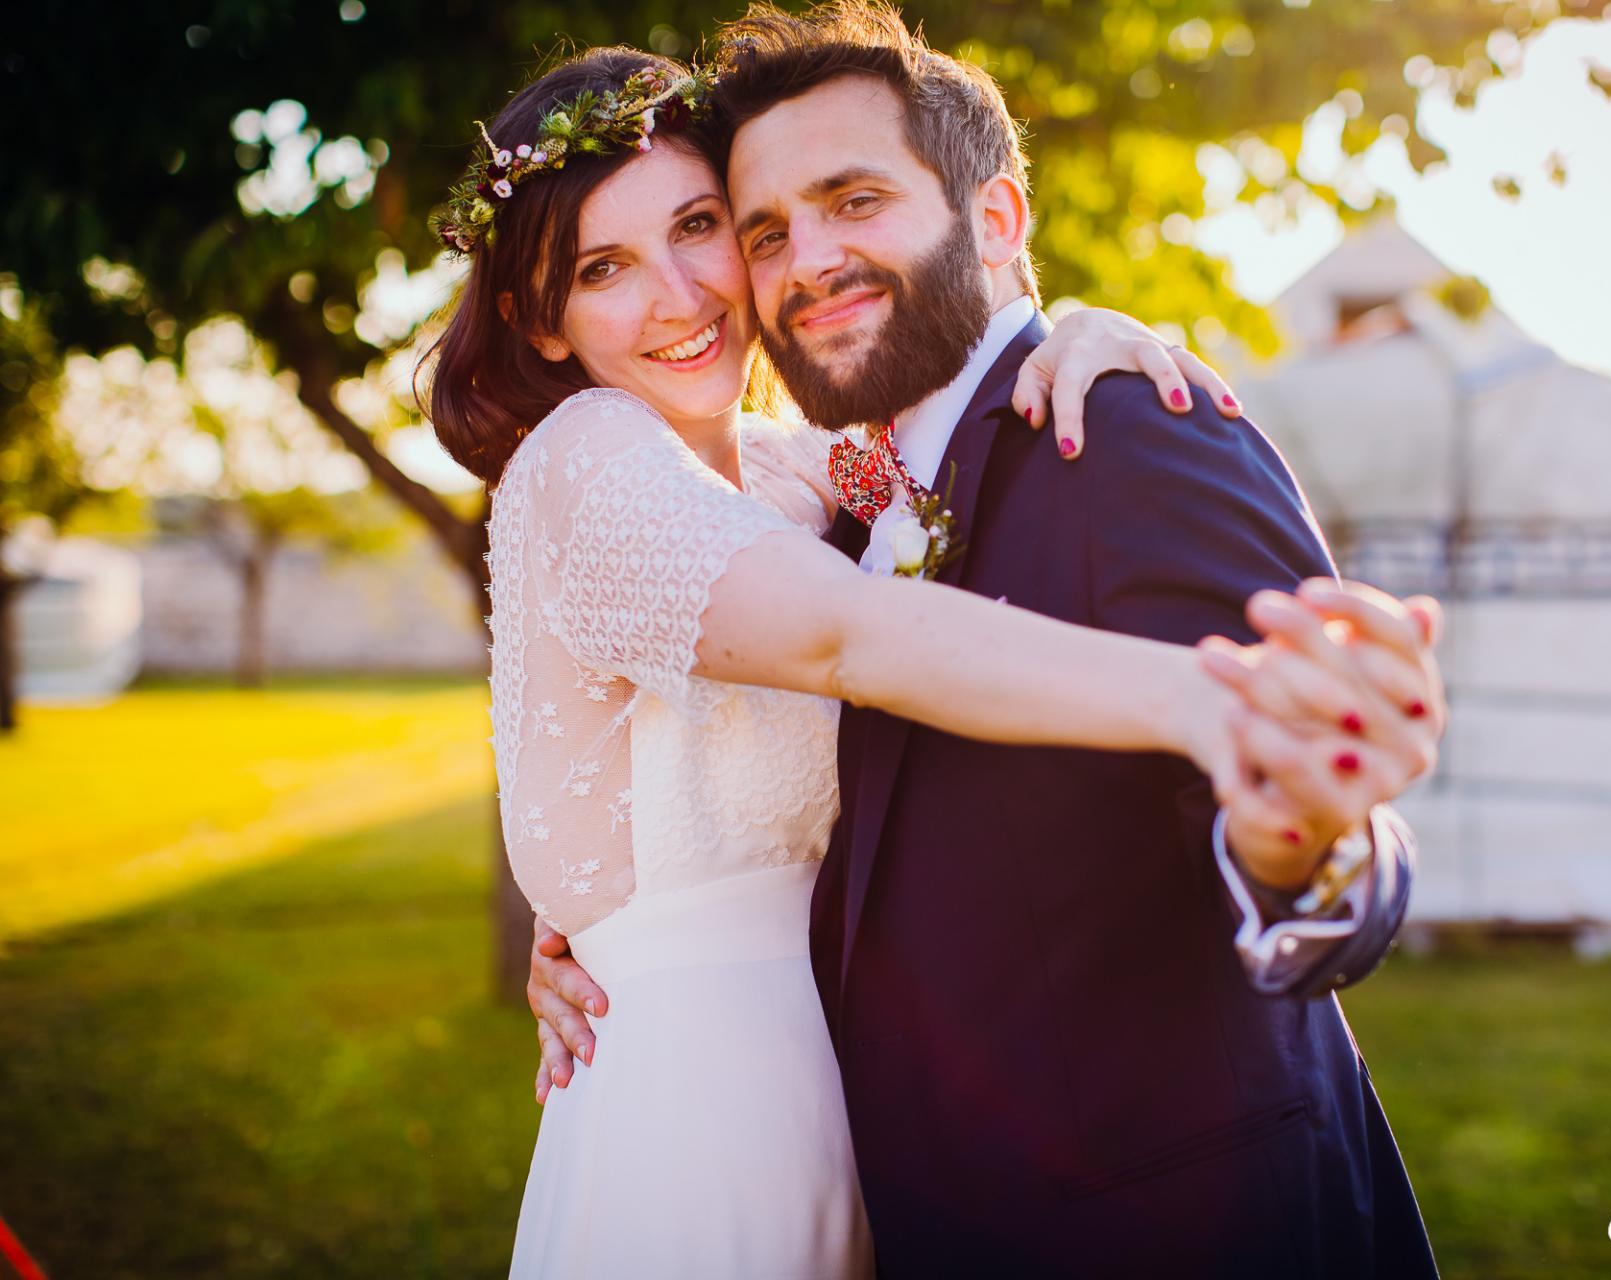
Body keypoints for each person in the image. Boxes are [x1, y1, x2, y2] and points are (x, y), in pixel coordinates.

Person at [424, 33, 1442, 1279]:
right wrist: (607, 914)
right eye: (607, 267)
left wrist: (1076, 329)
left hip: (1161, 1213)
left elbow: (1296, 841)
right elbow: (843, 639)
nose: (692, 292)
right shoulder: (643, 465)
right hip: (716, 1125)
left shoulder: (1045, 443)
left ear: (996, 214)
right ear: (540, 318)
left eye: (702, 227)